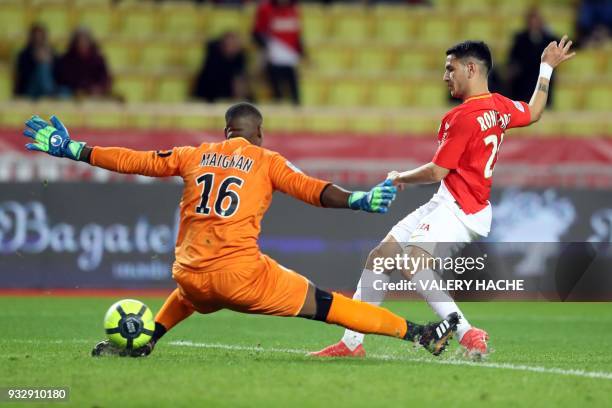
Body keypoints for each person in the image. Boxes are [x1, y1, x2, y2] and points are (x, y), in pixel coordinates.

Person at [22, 103, 459, 358]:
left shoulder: (194, 154)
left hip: (190, 274)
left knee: (194, 289)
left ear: (225, 132)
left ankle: (145, 338)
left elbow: (135, 160)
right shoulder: (266, 161)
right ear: (260, 134)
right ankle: (419, 334)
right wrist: (359, 200)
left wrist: (75, 149)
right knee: (328, 304)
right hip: (241, 277)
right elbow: (312, 190)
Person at [312, 38, 575, 358]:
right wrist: (546, 68)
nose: (444, 76)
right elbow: (533, 111)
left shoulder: (461, 117)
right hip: (451, 200)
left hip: (461, 206)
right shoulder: (501, 106)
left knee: (411, 262)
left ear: (471, 69)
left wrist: (399, 178)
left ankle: (466, 332)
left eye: (450, 68)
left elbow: (438, 170)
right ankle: (351, 343)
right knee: (381, 257)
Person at [253, 0, 304, 105]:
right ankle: (279, 106)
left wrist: (301, 52)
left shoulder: (294, 10)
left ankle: (296, 109)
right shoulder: (266, 9)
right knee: (276, 89)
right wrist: (268, 47)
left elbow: (296, 34)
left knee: (294, 89)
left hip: (289, 57)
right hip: (273, 56)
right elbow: (257, 32)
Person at [507, 8, 558, 107]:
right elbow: (513, 59)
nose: (534, 22)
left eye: (537, 19)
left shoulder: (548, 38)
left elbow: (563, 44)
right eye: (532, 19)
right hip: (524, 81)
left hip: (541, 79)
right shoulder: (520, 38)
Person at [193, 31, 251, 103]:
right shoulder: (213, 56)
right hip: (209, 91)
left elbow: (239, 78)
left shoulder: (239, 58)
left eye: (234, 44)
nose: (231, 47)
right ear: (222, 44)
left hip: (227, 93)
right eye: (229, 44)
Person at [55, 28, 111, 98]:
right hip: (72, 92)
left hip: (94, 93)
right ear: (75, 43)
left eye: (85, 41)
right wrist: (79, 89)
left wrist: (98, 88)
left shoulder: (98, 59)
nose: (82, 44)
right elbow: (63, 79)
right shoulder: (67, 59)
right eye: (80, 41)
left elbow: (105, 78)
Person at [14, 24, 60, 99]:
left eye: (40, 36)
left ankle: (49, 92)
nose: (38, 39)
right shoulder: (24, 55)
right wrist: (35, 61)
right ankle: (50, 93)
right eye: (36, 36)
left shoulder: (52, 54)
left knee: (44, 67)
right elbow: (23, 76)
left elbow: (58, 74)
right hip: (30, 89)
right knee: (42, 67)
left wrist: (50, 61)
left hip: (50, 86)